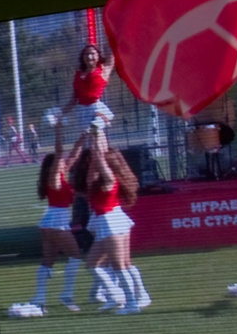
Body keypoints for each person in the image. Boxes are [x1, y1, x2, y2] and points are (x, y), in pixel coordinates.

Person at [11, 136, 86, 316]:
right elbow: (60, 154)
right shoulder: (54, 179)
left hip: (50, 222)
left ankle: (39, 299)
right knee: (76, 257)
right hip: (56, 223)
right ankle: (66, 294)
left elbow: (74, 155)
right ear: (54, 165)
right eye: (60, 162)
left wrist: (83, 136)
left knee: (48, 263)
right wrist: (58, 130)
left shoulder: (61, 175)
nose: (64, 163)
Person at [80, 130, 150, 313]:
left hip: (111, 222)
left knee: (119, 265)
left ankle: (132, 303)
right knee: (96, 264)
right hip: (110, 221)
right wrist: (97, 135)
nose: (93, 167)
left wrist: (96, 136)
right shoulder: (94, 180)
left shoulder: (110, 179)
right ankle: (121, 295)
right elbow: (96, 160)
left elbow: (99, 158)